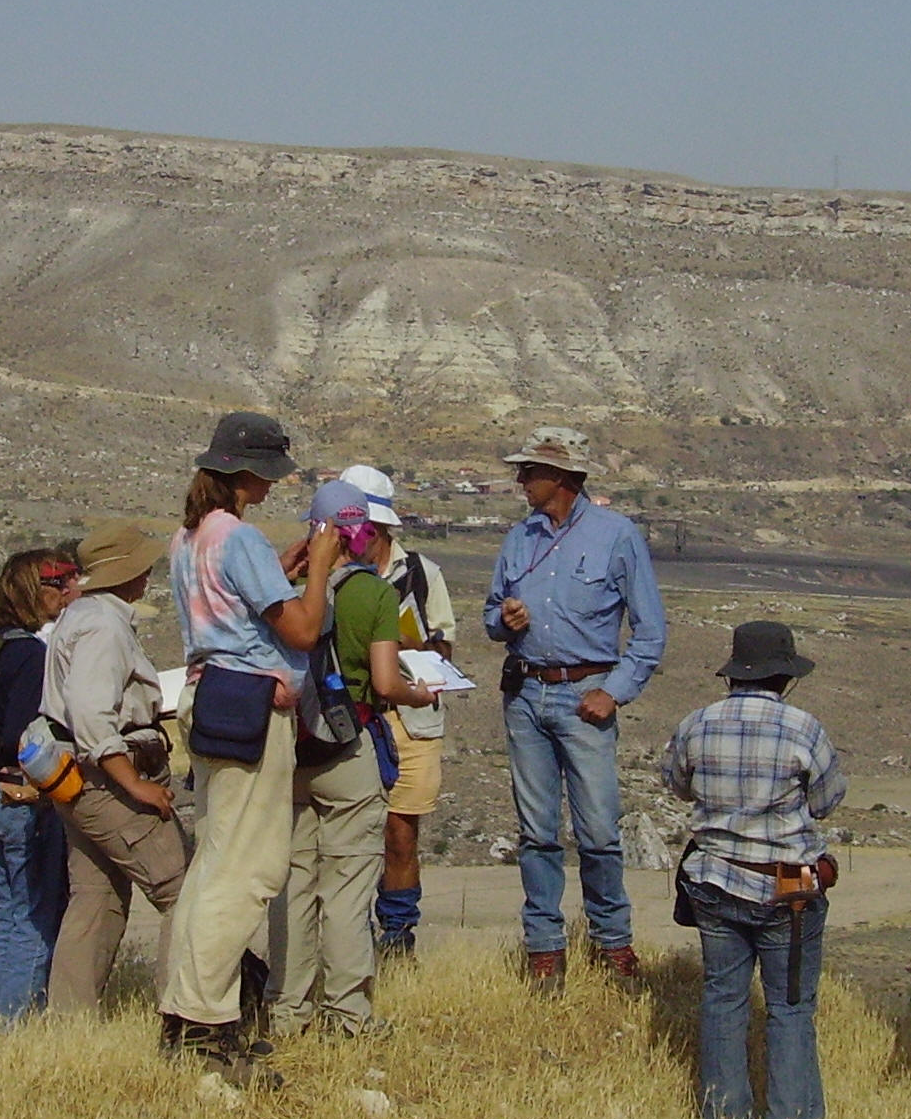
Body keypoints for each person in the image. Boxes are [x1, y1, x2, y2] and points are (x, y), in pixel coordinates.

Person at [157, 411, 343, 1086]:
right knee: (250, 870)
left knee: (214, 860)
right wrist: (316, 571)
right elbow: (298, 629)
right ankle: (208, 1020)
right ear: (248, 474)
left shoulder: (190, 539)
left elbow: (229, 612)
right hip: (251, 707)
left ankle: (185, 1011)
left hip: (210, 698)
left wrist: (280, 568)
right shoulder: (238, 538)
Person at [481, 427, 668, 989]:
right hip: (525, 695)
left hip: (585, 698)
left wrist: (614, 691)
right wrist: (503, 620)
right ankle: (545, 947)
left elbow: (650, 631)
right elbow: (491, 614)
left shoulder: (617, 536)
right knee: (536, 831)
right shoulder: (519, 538)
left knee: (598, 831)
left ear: (559, 478)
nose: (519, 480)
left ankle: (613, 943)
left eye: (528, 471)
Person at [661, 622, 846, 1119]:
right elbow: (827, 800)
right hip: (785, 888)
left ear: (735, 672)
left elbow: (674, 781)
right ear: (785, 676)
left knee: (723, 997)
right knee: (789, 1007)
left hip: (715, 879)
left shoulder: (697, 723)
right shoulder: (803, 728)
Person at [267, 480, 440, 1039]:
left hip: (291, 751)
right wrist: (423, 693)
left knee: (293, 884)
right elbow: (387, 683)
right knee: (346, 886)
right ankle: (347, 1014)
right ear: (362, 531)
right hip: (349, 746)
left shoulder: (285, 590)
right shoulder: (376, 594)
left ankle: (286, 1009)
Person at [42, 520, 188, 1016]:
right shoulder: (103, 626)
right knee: (181, 892)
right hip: (111, 780)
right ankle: (186, 1017)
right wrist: (133, 784)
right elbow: (89, 712)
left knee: (96, 897)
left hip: (77, 780)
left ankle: (70, 1023)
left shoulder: (80, 617)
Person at [339, 463, 454, 962]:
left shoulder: (423, 575)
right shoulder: (330, 574)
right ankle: (349, 933)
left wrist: (415, 647)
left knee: (401, 833)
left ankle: (397, 933)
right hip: (351, 715)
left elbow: (446, 644)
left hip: (411, 720)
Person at [0, 549, 75, 1023]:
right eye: (59, 581)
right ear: (37, 590)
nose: (69, 588)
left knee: (4, 917)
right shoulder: (31, 654)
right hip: (20, 797)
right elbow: (24, 736)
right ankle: (15, 1026)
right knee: (35, 917)